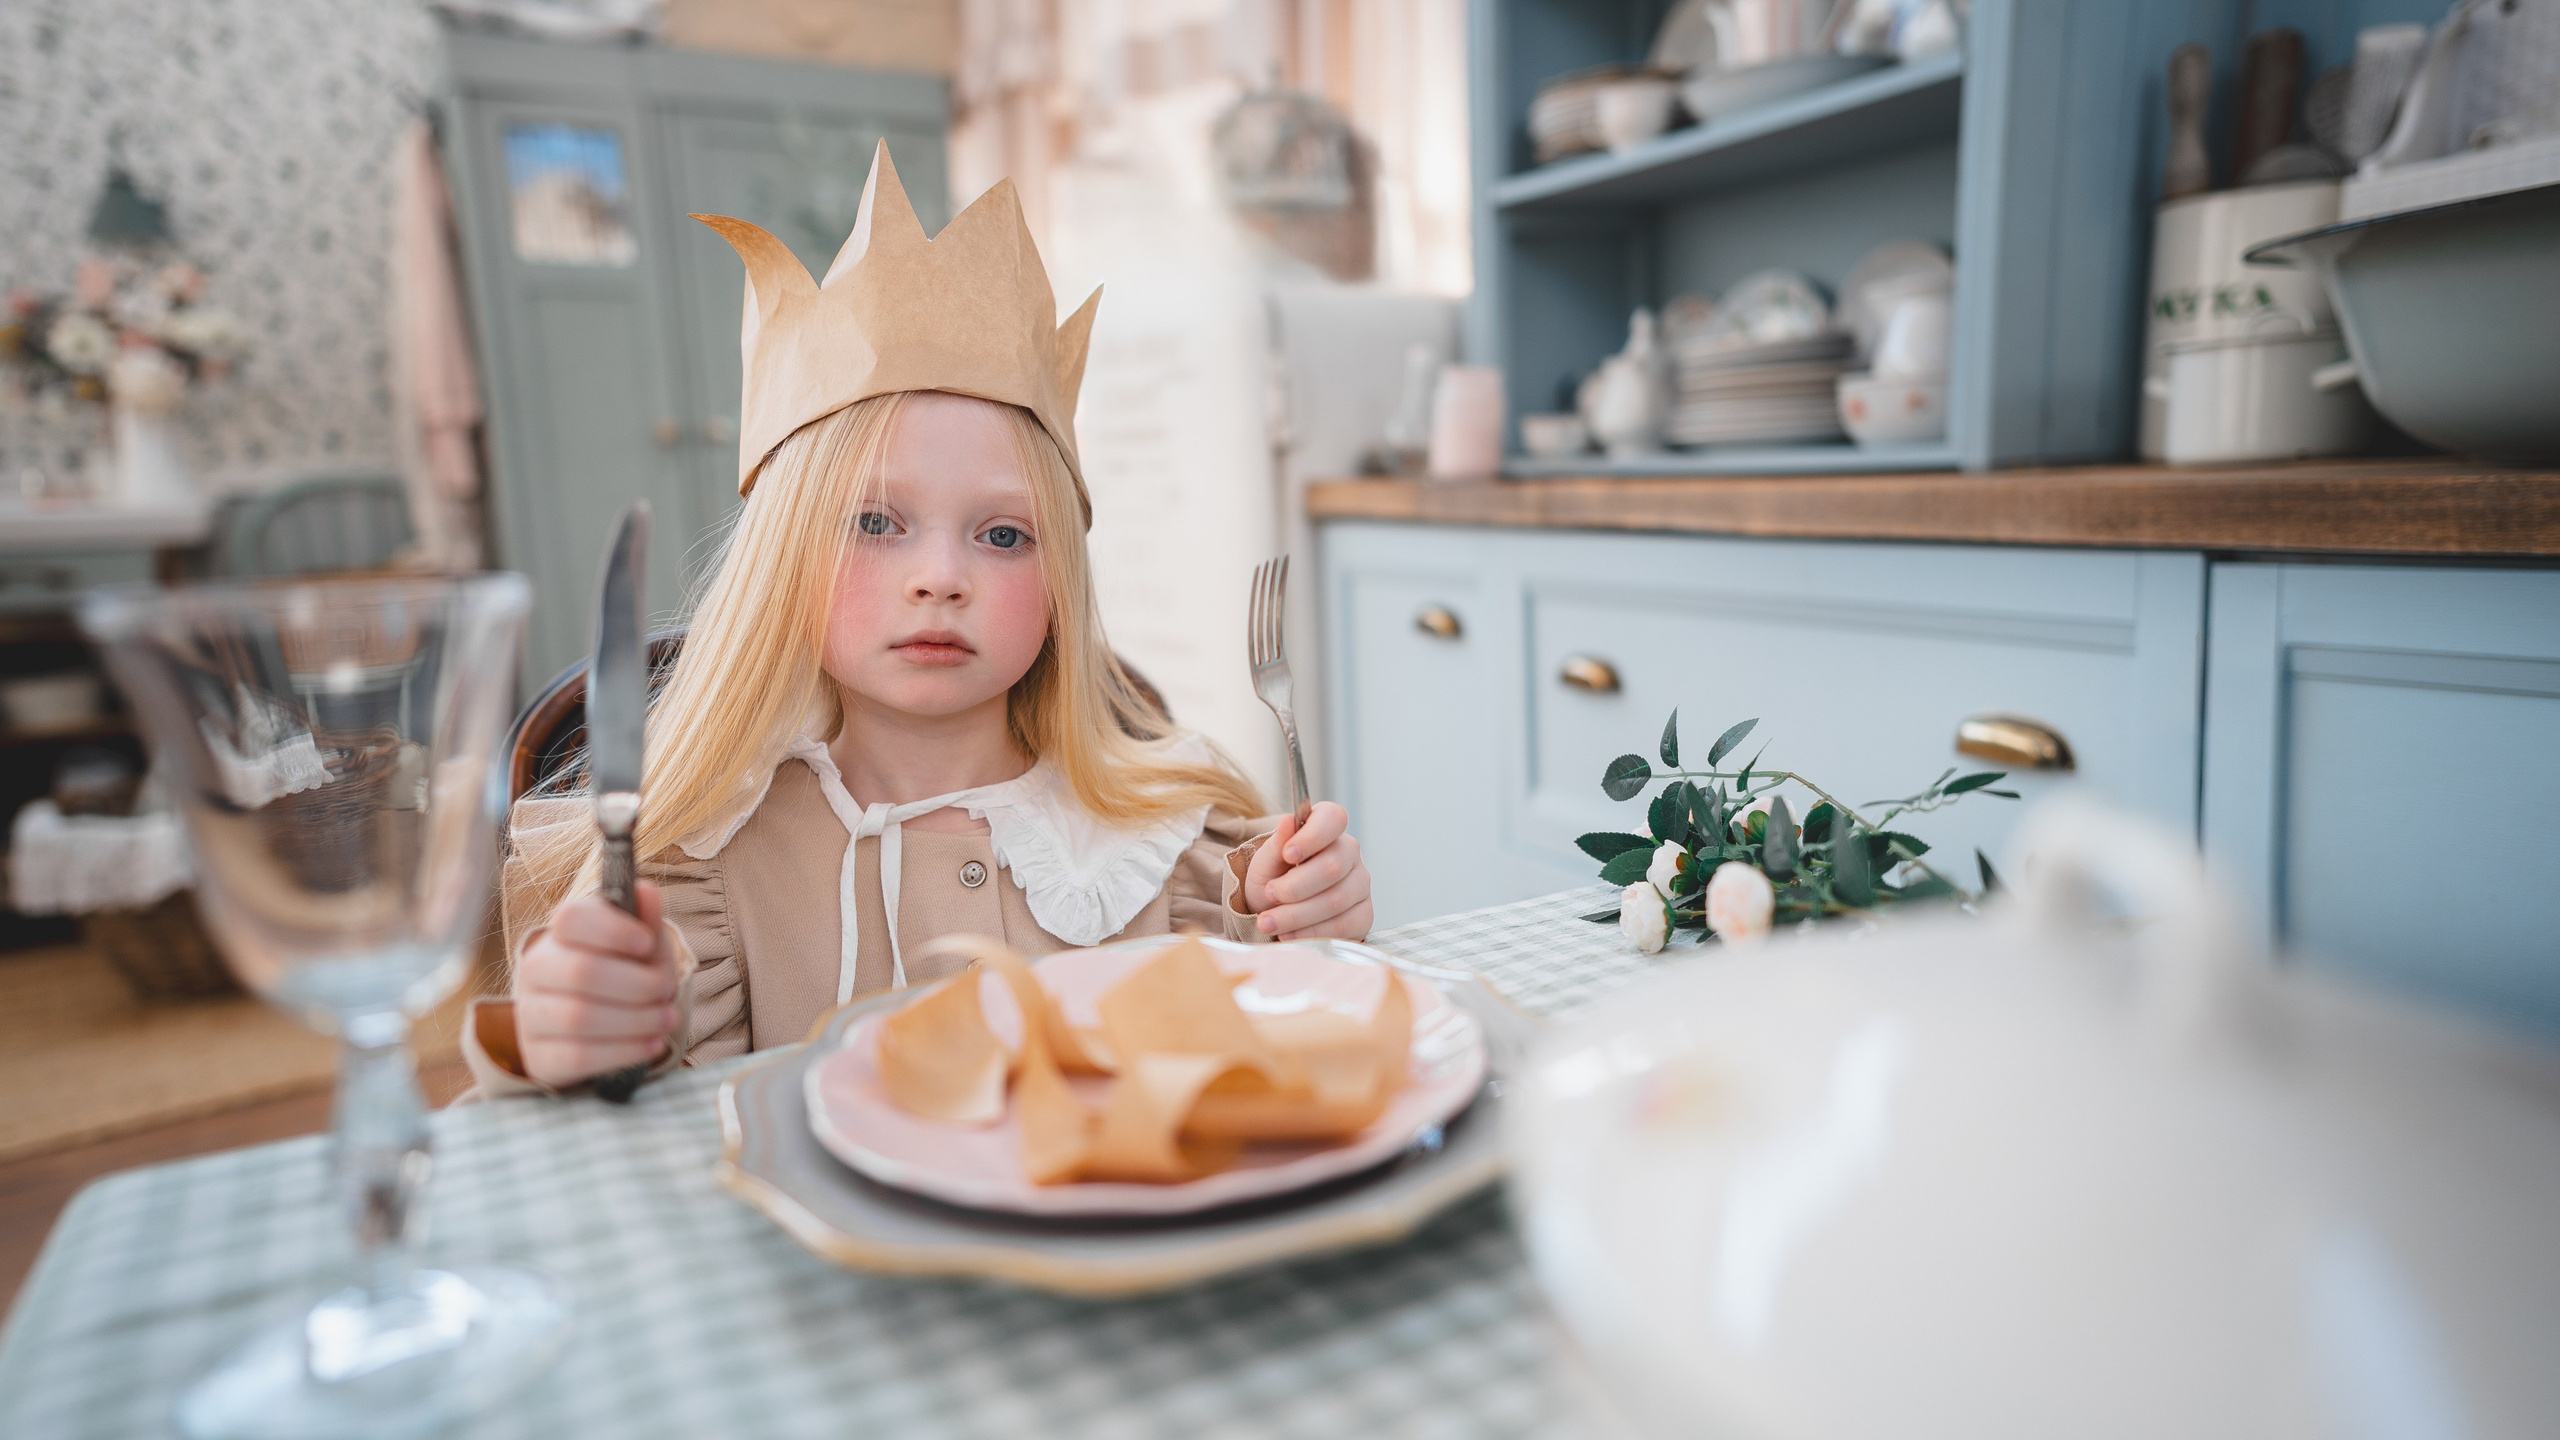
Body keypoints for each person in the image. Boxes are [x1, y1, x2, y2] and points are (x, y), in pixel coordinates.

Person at [464, 146, 1371, 1095]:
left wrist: (1306, 921)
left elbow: (1271, 1044)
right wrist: (581, 1027)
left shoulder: (1173, 850)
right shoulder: (696, 875)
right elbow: (616, 1112)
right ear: (783, 560)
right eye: (875, 523)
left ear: (1061, 585)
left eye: (1004, 535)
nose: (940, 579)